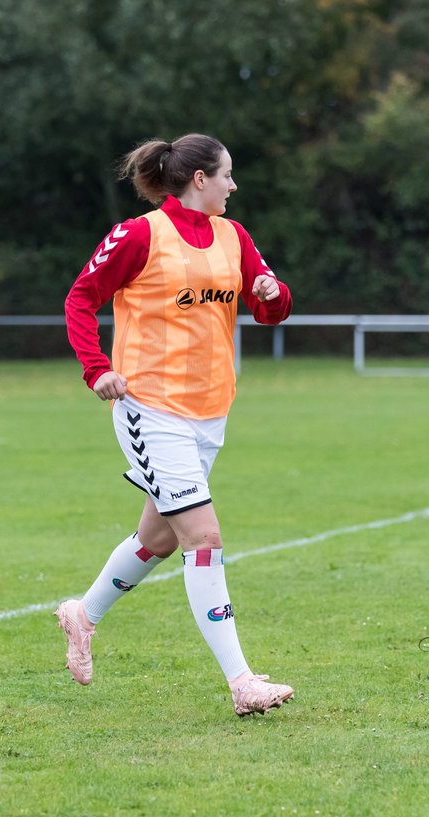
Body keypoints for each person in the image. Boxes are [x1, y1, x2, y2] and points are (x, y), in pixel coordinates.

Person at [56, 133, 295, 717]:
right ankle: (242, 683)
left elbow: (270, 309)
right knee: (204, 539)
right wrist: (98, 370)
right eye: (228, 176)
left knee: (159, 539)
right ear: (198, 180)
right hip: (151, 408)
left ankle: (82, 615)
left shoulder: (234, 236)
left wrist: (271, 289)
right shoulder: (139, 234)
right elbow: (80, 300)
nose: (234, 186)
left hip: (211, 411)